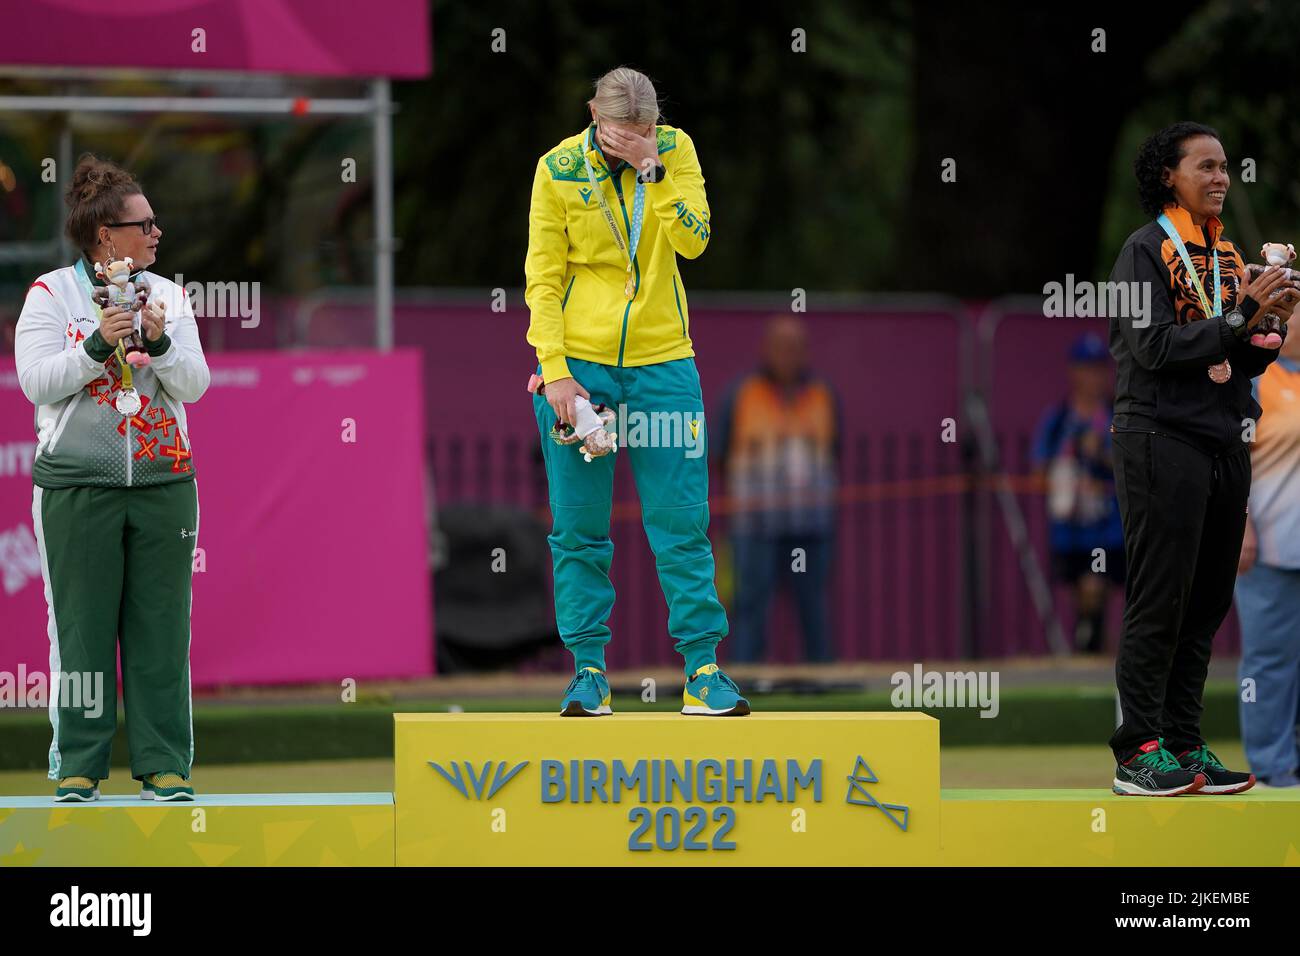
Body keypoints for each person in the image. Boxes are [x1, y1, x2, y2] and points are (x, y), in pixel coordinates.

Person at [525, 67, 748, 716]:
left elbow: (695, 240)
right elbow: (542, 276)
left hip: (664, 364)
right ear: (595, 114)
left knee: (681, 521)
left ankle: (703, 669)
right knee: (578, 529)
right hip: (582, 371)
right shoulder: (557, 168)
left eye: (645, 130)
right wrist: (555, 367)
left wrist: (654, 168)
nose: (634, 140)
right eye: (624, 131)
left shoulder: (674, 151)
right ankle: (588, 671)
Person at [1106, 121, 1299, 796]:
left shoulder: (1224, 257)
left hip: (1221, 438)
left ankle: (1184, 743)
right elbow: (1156, 348)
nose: (1221, 177)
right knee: (1162, 595)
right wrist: (1239, 313)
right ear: (1169, 176)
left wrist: (1270, 323)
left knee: (1208, 601)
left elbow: (1237, 356)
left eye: (1225, 167)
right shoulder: (1144, 250)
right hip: (1160, 437)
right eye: (1206, 167)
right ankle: (1138, 751)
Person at [15, 154, 209, 801]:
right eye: (143, 224)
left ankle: (163, 766)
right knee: (80, 628)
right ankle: (78, 764)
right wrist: (96, 345)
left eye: (155, 223)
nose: (157, 234)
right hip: (75, 488)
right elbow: (34, 382)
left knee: (161, 626)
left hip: (163, 483)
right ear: (106, 235)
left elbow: (195, 385)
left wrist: (159, 343)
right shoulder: (51, 294)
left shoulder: (171, 297)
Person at [714, 315, 839, 663]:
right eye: (782, 347)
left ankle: (822, 688)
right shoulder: (743, 395)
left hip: (811, 528)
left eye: (796, 348)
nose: (789, 355)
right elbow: (721, 454)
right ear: (766, 350)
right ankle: (744, 681)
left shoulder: (822, 395)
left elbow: (834, 453)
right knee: (749, 607)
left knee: (813, 608)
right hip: (755, 527)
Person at [1235, 307, 1300, 788]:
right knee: (1269, 662)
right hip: (1271, 547)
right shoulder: (1256, 379)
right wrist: (1242, 526)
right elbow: (1231, 456)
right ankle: (1273, 769)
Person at [1031, 333, 1125, 654]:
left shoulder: (1118, 417)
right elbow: (1039, 470)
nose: (1093, 377)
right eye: (1086, 368)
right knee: (1081, 595)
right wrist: (1065, 475)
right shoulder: (1058, 419)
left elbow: (1133, 467)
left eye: (1099, 368)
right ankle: (1090, 647)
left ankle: (1103, 651)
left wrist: (1101, 456)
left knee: (1098, 587)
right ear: (1074, 372)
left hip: (1109, 528)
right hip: (1070, 530)